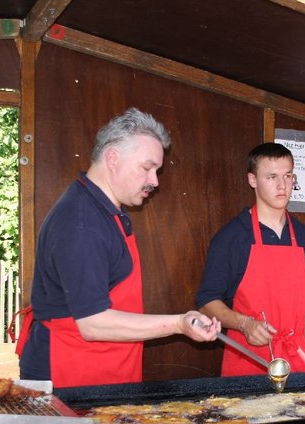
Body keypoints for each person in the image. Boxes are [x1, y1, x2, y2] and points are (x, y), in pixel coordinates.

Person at [16, 107, 220, 387]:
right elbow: (93, 323)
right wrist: (179, 324)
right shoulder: (82, 222)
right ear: (112, 158)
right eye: (147, 168)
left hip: (102, 368)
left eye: (157, 171)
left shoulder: (105, 209)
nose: (154, 181)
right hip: (70, 372)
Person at [195, 142, 305, 375]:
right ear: (252, 180)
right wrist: (245, 324)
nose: (282, 185)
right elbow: (207, 303)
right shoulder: (232, 237)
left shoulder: (303, 236)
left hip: (296, 361)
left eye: (288, 176)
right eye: (272, 177)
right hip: (248, 361)